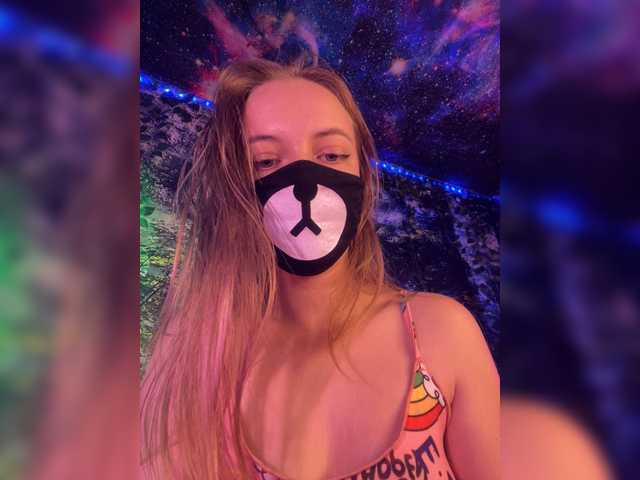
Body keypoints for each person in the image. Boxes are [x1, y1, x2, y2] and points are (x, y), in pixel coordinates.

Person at [141, 58, 498, 479]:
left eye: (331, 154)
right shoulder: (198, 362)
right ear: (233, 186)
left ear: (362, 175)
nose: (305, 182)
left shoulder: (443, 333)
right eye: (265, 161)